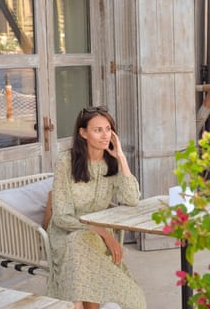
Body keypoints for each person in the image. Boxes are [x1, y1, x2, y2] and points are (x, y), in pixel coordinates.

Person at [47, 106, 147, 309]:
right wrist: (104, 233)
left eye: (108, 129)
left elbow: (132, 199)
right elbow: (60, 217)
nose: (105, 135)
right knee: (76, 243)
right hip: (66, 233)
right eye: (98, 130)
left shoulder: (112, 162)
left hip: (97, 237)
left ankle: (77, 305)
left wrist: (121, 157)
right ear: (83, 133)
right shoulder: (66, 161)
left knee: (81, 250)